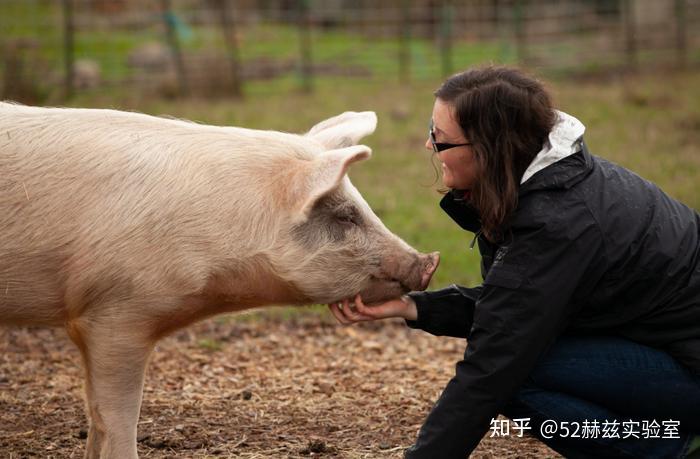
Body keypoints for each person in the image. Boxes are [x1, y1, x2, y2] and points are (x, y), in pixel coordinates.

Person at [328, 66, 700, 458]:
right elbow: (522, 304)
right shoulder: (553, 179)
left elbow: (497, 359)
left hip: (689, 366)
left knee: (518, 374)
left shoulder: (558, 222)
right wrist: (415, 307)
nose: (428, 145)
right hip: (667, 344)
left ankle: (667, 451)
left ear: (488, 149)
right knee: (519, 360)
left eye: (441, 139)